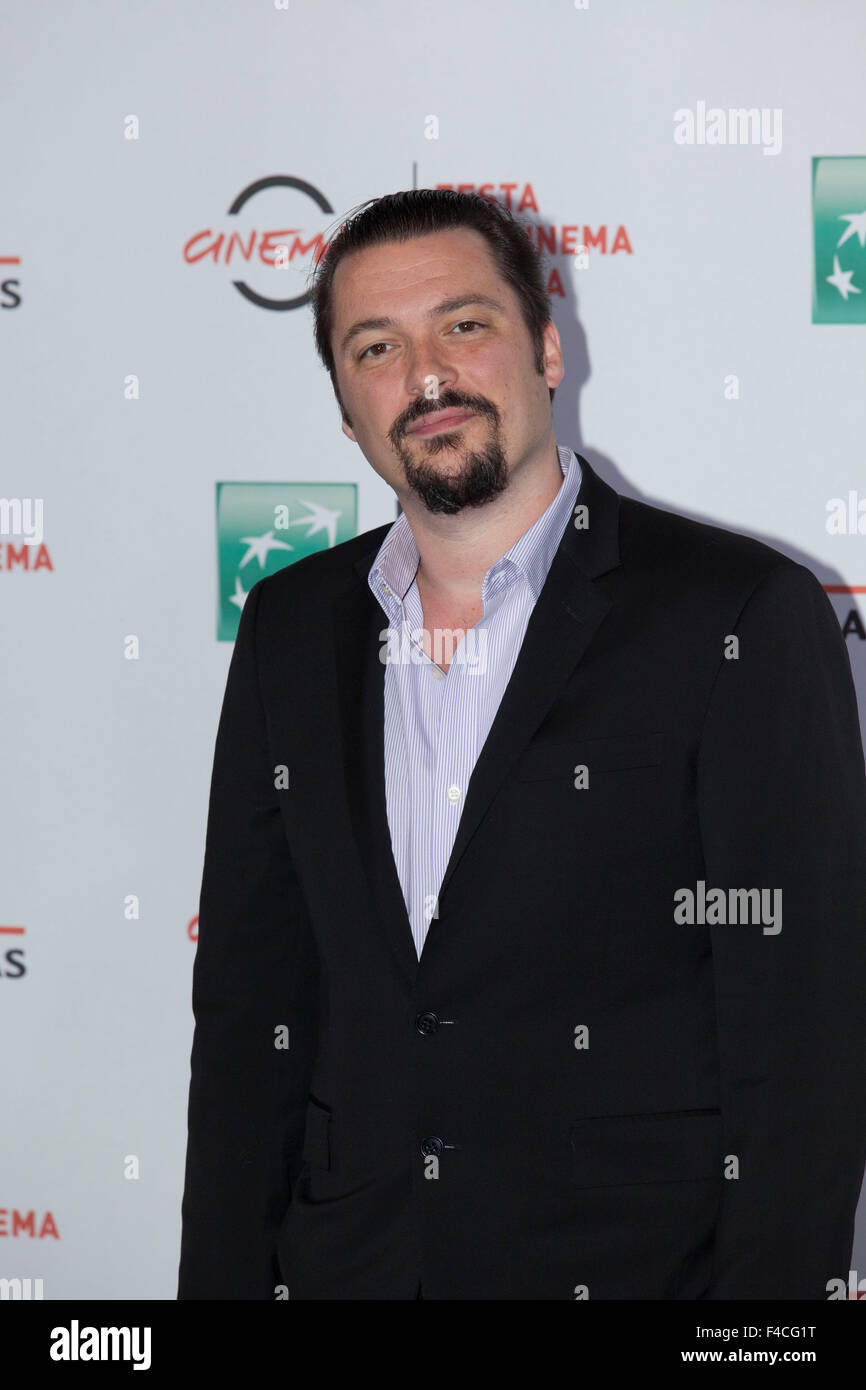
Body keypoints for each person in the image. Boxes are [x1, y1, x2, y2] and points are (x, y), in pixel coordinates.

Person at [178, 188, 866, 1300]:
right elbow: (251, 1008)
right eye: (376, 347)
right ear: (345, 409)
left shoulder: (736, 614)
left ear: (547, 349)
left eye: (464, 324)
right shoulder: (289, 629)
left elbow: (802, 1038)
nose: (427, 376)